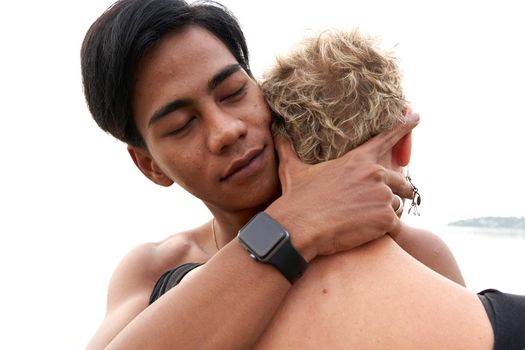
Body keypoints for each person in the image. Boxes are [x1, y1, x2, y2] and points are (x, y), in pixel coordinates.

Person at [79, 0, 523, 349]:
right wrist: (296, 223)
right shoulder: (154, 269)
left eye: (234, 93)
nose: (226, 130)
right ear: (150, 165)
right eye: (181, 125)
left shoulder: (414, 249)